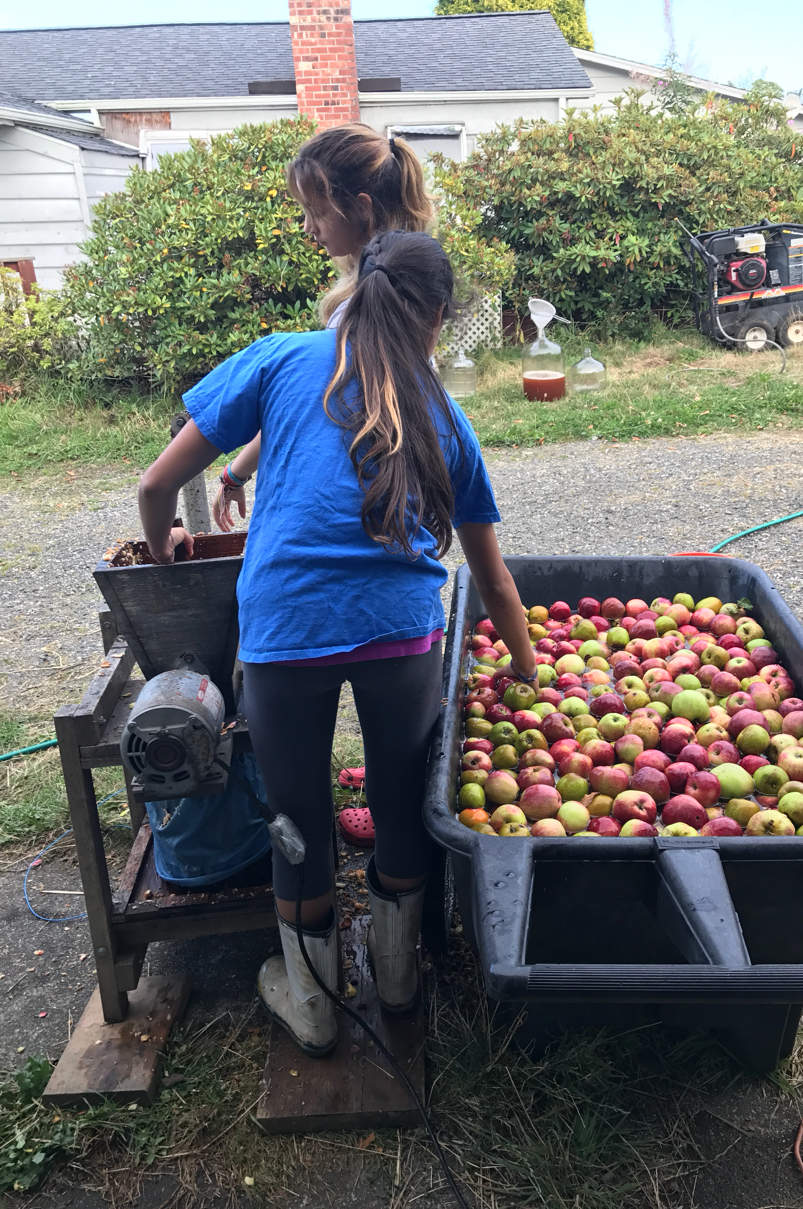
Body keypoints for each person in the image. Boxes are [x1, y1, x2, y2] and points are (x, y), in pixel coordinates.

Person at [137, 230, 537, 1058]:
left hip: (286, 631)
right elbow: (494, 582)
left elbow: (157, 482)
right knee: (399, 802)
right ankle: (398, 985)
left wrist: (165, 551)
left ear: (353, 292)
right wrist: (533, 676)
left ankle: (314, 1008)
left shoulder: (280, 356)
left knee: (296, 820)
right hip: (401, 634)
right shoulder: (444, 412)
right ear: (437, 317)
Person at [213, 122, 433, 533]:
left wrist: (234, 473)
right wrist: (237, 472)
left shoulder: (364, 306)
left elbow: (318, 407)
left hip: (359, 503)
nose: (307, 227)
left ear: (361, 209)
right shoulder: (408, 287)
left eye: (316, 211)